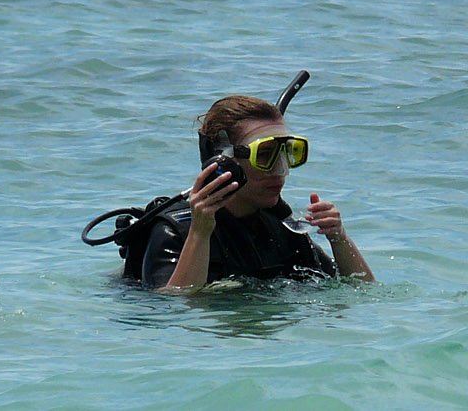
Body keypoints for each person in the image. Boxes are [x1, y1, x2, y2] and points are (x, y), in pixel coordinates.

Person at [142, 95, 375, 292]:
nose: (281, 169)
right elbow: (177, 311)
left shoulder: (281, 228)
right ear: (225, 162)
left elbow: (362, 292)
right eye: (265, 155)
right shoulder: (174, 231)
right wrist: (200, 233)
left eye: (288, 153)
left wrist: (338, 236)